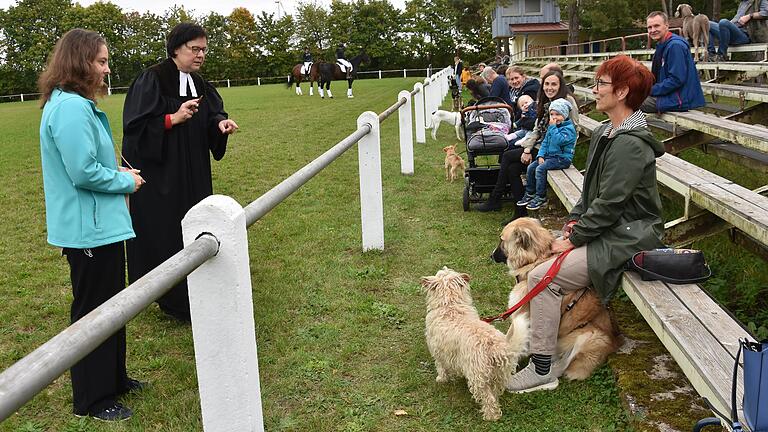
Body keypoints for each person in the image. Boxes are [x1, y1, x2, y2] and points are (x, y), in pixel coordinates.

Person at [506, 55, 665, 393]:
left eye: (601, 84)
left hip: (628, 236)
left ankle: (542, 367)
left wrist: (575, 238)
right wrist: (574, 221)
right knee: (543, 270)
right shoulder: (609, 131)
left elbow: (609, 206)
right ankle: (544, 351)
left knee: (541, 276)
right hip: (608, 229)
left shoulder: (631, 143)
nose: (594, 90)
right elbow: (591, 193)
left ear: (621, 92)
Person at [38, 28, 146, 421]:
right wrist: (126, 180)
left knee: (112, 307)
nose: (106, 68)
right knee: (93, 313)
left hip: (100, 226)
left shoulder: (75, 105)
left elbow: (88, 165)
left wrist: (115, 170)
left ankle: (114, 379)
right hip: (88, 230)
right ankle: (91, 398)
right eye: (100, 61)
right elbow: (83, 172)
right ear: (79, 63)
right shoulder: (69, 108)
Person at [122, 23, 239, 323]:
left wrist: (219, 125)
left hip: (195, 175)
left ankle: (200, 287)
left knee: (196, 224)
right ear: (176, 48)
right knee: (167, 232)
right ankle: (172, 298)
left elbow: (214, 113)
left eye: (204, 50)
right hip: (163, 179)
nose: (201, 55)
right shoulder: (152, 79)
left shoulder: (200, 84)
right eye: (195, 49)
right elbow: (135, 129)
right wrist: (172, 118)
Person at [476, 70, 579, 223]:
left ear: (561, 85)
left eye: (554, 84)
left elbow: (574, 129)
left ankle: (496, 198)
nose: (549, 88)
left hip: (557, 151)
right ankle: (519, 211)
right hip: (542, 146)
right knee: (512, 168)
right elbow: (536, 129)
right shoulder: (544, 101)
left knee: (508, 156)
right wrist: (528, 149)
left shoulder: (566, 102)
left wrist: (541, 150)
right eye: (547, 84)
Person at [516, 98, 576, 211]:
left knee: (540, 169)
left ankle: (540, 196)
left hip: (562, 158)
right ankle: (530, 193)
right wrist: (541, 155)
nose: (554, 117)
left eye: (557, 114)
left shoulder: (568, 129)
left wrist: (553, 128)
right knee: (531, 167)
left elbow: (559, 141)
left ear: (565, 115)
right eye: (552, 114)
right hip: (550, 157)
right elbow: (545, 143)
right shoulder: (552, 128)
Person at [641, 11, 705, 113]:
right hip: (669, 96)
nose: (653, 30)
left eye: (656, 26)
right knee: (628, 97)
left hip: (679, 99)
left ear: (666, 26)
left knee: (628, 102)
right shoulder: (662, 45)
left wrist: (649, 91)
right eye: (649, 27)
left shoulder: (675, 46)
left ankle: (629, 128)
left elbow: (676, 79)